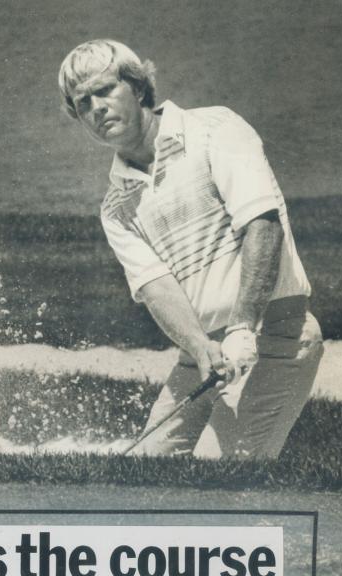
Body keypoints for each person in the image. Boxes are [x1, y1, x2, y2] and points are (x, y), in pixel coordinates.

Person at [58, 39, 324, 458]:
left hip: (278, 335)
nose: (96, 107)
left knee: (214, 475)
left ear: (139, 87)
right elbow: (157, 288)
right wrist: (201, 347)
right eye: (82, 102)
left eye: (106, 90)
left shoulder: (215, 128)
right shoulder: (116, 206)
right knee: (144, 473)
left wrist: (241, 327)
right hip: (203, 355)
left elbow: (262, 226)